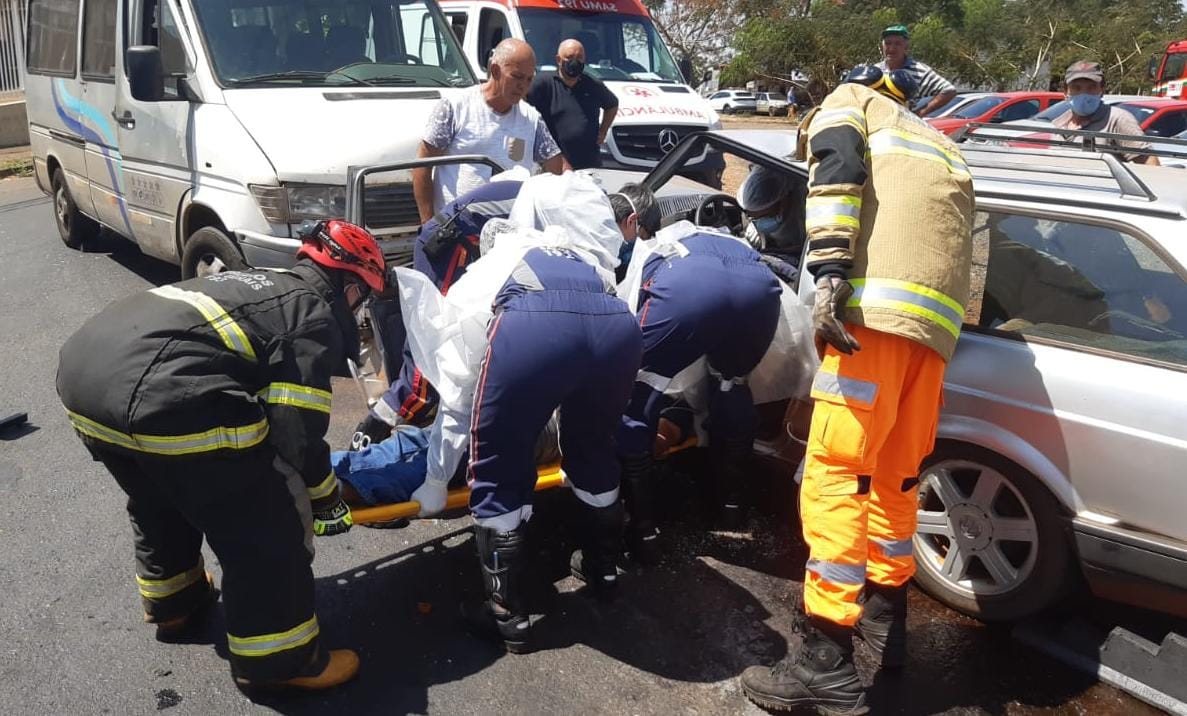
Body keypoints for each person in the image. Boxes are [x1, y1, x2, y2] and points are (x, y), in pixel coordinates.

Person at [56, 221, 388, 691]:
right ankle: (281, 663)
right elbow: (296, 435)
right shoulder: (312, 314)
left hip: (83, 379)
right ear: (350, 286)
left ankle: (175, 604)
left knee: (159, 497)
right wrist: (325, 499)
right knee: (265, 522)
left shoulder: (257, 282)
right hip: (161, 395)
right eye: (364, 297)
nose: (360, 310)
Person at [740, 64, 974, 713]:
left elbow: (837, 173)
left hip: (869, 325)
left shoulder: (849, 103)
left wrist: (829, 270)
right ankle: (884, 617)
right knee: (896, 477)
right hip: (932, 336)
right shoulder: (938, 142)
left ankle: (824, 660)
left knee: (836, 479)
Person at [401, 172, 643, 653]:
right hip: (617, 327)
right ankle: (604, 573)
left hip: (534, 327)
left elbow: (462, 397)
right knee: (593, 450)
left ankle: (507, 615)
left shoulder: (495, 266)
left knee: (498, 461)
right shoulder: (583, 257)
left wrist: (435, 480)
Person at [615, 209, 784, 562]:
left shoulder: (658, 247)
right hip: (759, 289)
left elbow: (627, 315)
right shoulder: (729, 240)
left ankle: (643, 529)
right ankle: (730, 508)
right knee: (731, 382)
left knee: (640, 388)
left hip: (688, 287)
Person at [354, 177, 525, 447]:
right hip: (450, 237)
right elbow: (430, 343)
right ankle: (388, 413)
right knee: (434, 336)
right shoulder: (570, 209)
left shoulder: (564, 202)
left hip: (467, 232)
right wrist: (387, 415)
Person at [412, 38, 564, 223]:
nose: (523, 85)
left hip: (511, 230)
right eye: (517, 76)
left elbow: (555, 165)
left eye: (529, 79)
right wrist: (428, 224)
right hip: (457, 230)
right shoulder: (456, 107)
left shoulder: (531, 119)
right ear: (495, 71)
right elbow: (422, 164)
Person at [526, 39, 620, 170]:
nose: (575, 62)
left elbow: (612, 104)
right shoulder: (543, 83)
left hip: (589, 165)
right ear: (559, 60)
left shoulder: (592, 85)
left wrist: (603, 130)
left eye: (579, 58)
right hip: (553, 166)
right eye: (569, 57)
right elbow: (522, 106)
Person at [1053, 60, 1159, 165]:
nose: (1084, 94)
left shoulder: (1117, 120)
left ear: (1102, 90)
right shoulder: (1059, 125)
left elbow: (1150, 164)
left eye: (1091, 87)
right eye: (1076, 88)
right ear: (1065, 92)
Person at [877, 24, 956, 118]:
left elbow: (949, 90)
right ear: (882, 46)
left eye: (897, 44)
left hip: (901, 124)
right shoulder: (875, 71)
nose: (891, 48)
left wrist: (920, 113)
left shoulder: (919, 71)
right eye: (887, 43)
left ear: (906, 47)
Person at [737, 164, 807, 259]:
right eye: (752, 217)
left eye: (766, 216)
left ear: (783, 200)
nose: (760, 223)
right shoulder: (753, 200)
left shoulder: (805, 211)